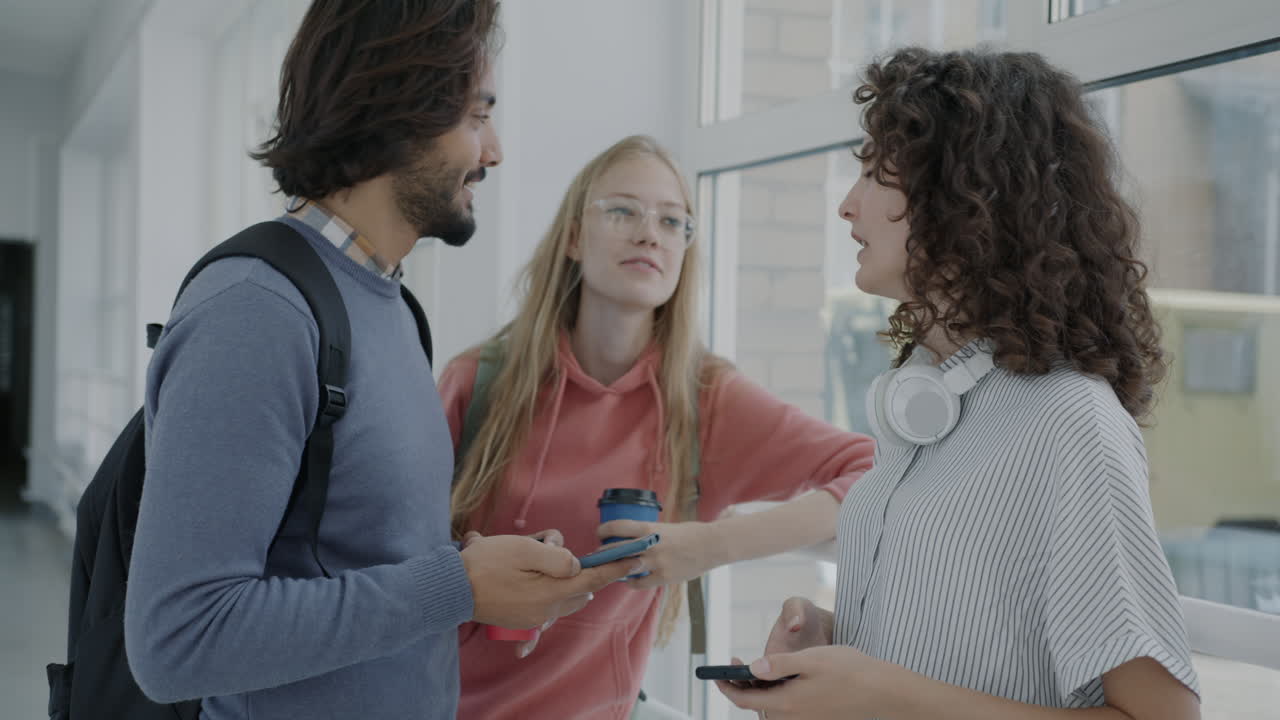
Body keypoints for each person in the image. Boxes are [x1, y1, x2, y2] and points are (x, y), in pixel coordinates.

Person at [123, 2, 639, 719]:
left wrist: (482, 573)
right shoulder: (255, 313)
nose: (494, 151)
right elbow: (177, 641)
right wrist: (456, 586)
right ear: (398, 107)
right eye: (477, 116)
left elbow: (357, 557)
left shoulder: (393, 310)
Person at [716, 46, 1201, 720]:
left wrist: (876, 693)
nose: (848, 207)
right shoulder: (930, 404)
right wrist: (831, 641)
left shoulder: (1070, 421)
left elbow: (1163, 717)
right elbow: (964, 649)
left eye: (876, 172)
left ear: (967, 194)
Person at [437, 134, 877, 720]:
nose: (650, 233)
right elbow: (389, 557)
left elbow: (873, 471)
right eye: (622, 211)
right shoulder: (476, 382)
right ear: (573, 237)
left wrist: (707, 546)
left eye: (673, 222)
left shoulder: (705, 401)